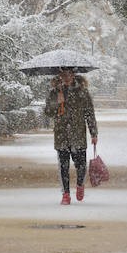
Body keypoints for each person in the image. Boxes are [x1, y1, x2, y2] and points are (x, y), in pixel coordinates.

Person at [44, 67, 98, 205]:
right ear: (60, 76)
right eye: (63, 75)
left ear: (73, 75)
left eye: (69, 75)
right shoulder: (54, 93)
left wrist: (93, 133)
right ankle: (66, 194)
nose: (66, 78)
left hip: (78, 134)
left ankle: (80, 185)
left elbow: (89, 113)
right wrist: (57, 102)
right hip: (62, 135)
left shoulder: (82, 92)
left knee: (81, 165)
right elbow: (48, 113)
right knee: (63, 166)